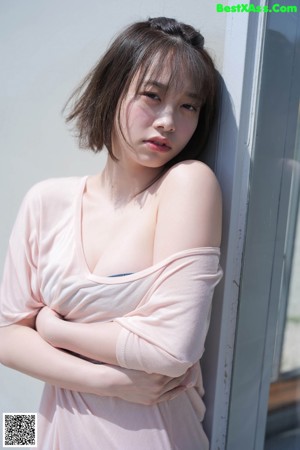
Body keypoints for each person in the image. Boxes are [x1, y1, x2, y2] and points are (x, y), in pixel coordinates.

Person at [0, 16, 222, 450]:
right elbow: (7, 336)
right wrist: (109, 380)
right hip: (51, 433)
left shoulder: (187, 185)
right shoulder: (46, 200)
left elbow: (171, 351)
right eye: (152, 96)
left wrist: (55, 330)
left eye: (188, 106)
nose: (167, 121)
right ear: (112, 90)